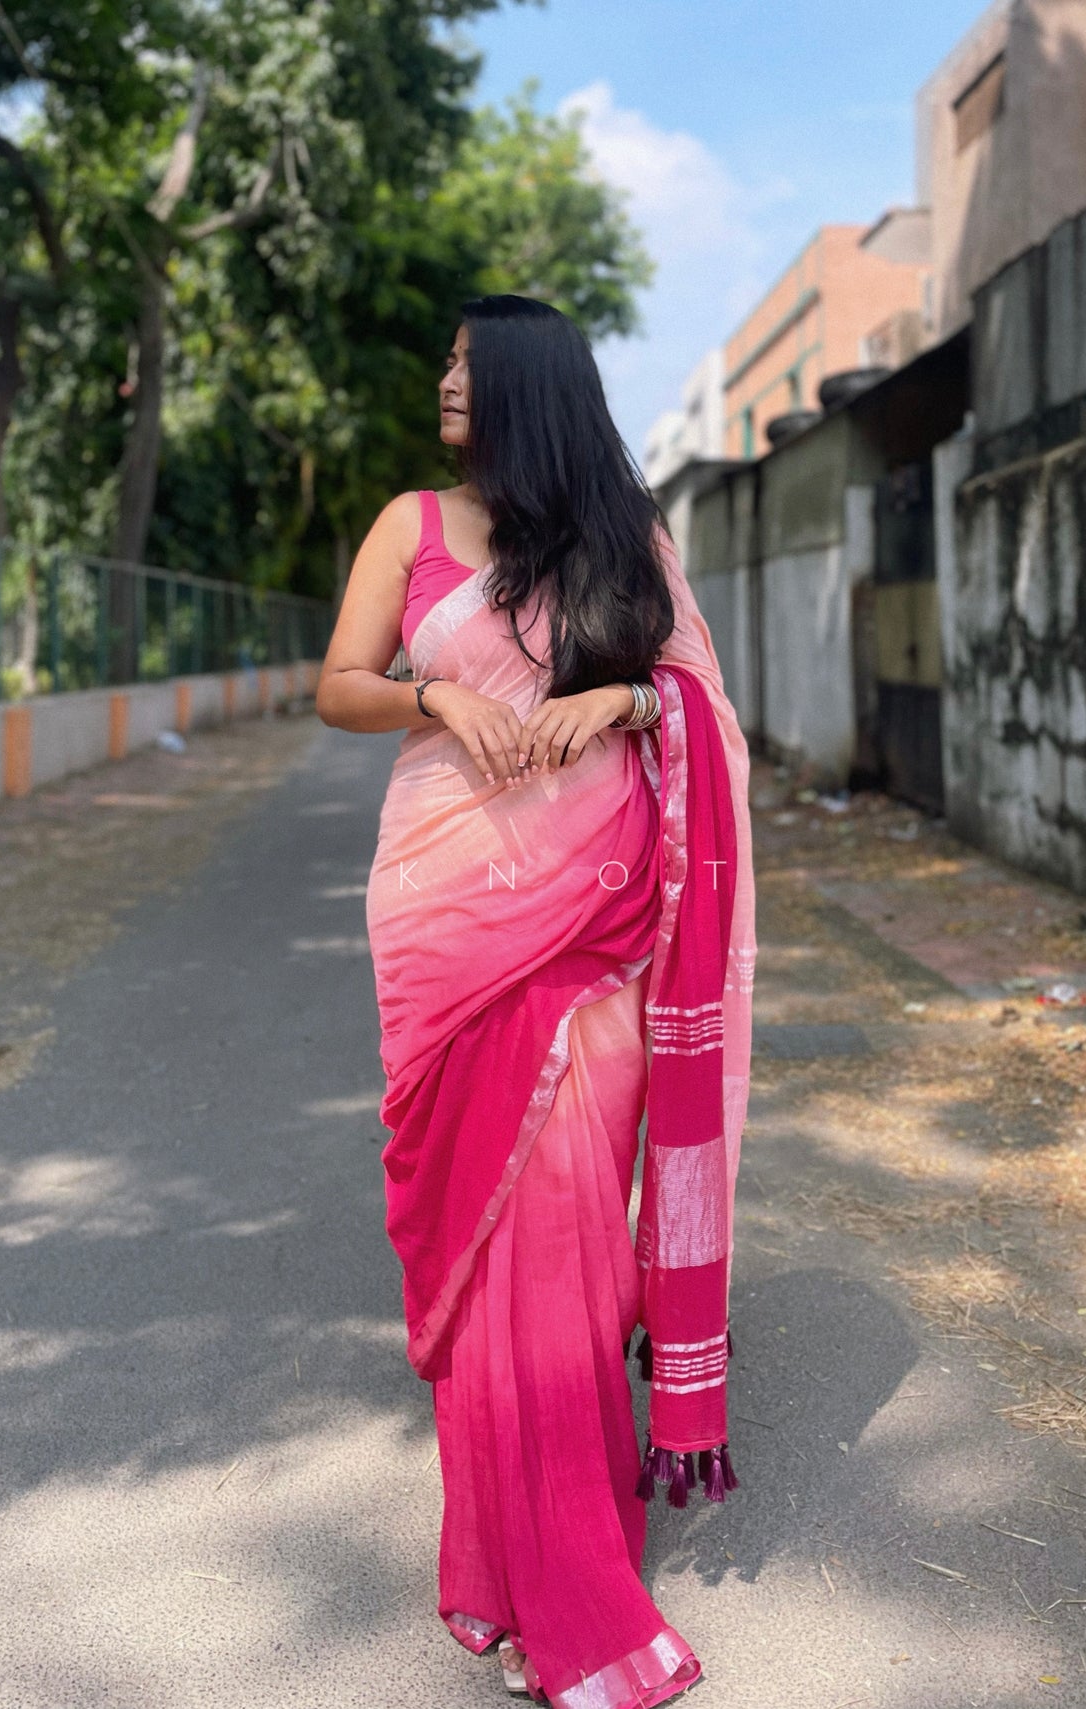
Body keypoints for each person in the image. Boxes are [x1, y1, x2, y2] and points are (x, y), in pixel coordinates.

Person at [315, 294, 755, 1707]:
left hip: (594, 925)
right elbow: (333, 687)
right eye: (442, 358)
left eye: (463, 363)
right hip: (440, 913)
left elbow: (696, 701)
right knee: (473, 1231)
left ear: (525, 385)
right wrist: (435, 702)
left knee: (560, 1249)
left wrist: (620, 705)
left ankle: (571, 1573)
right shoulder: (410, 525)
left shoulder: (629, 538)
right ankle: (500, 1571)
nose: (444, 380)